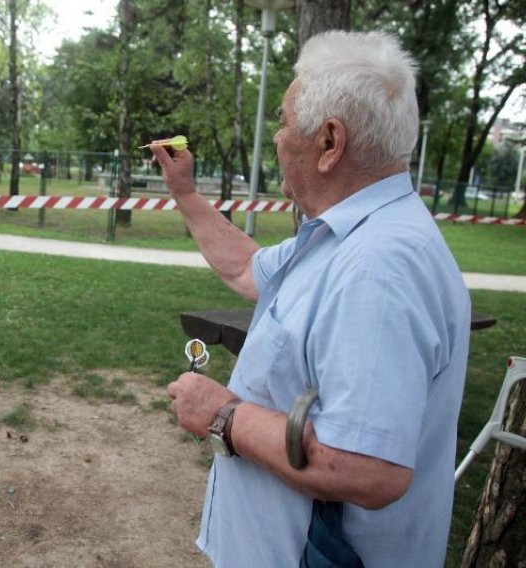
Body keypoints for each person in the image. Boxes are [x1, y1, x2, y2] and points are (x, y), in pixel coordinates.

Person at [152, 31, 470, 567]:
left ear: (329, 142)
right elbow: (245, 268)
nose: (277, 137)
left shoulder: (378, 265)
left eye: (283, 120)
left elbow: (364, 467)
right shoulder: (347, 236)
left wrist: (222, 413)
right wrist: (185, 194)